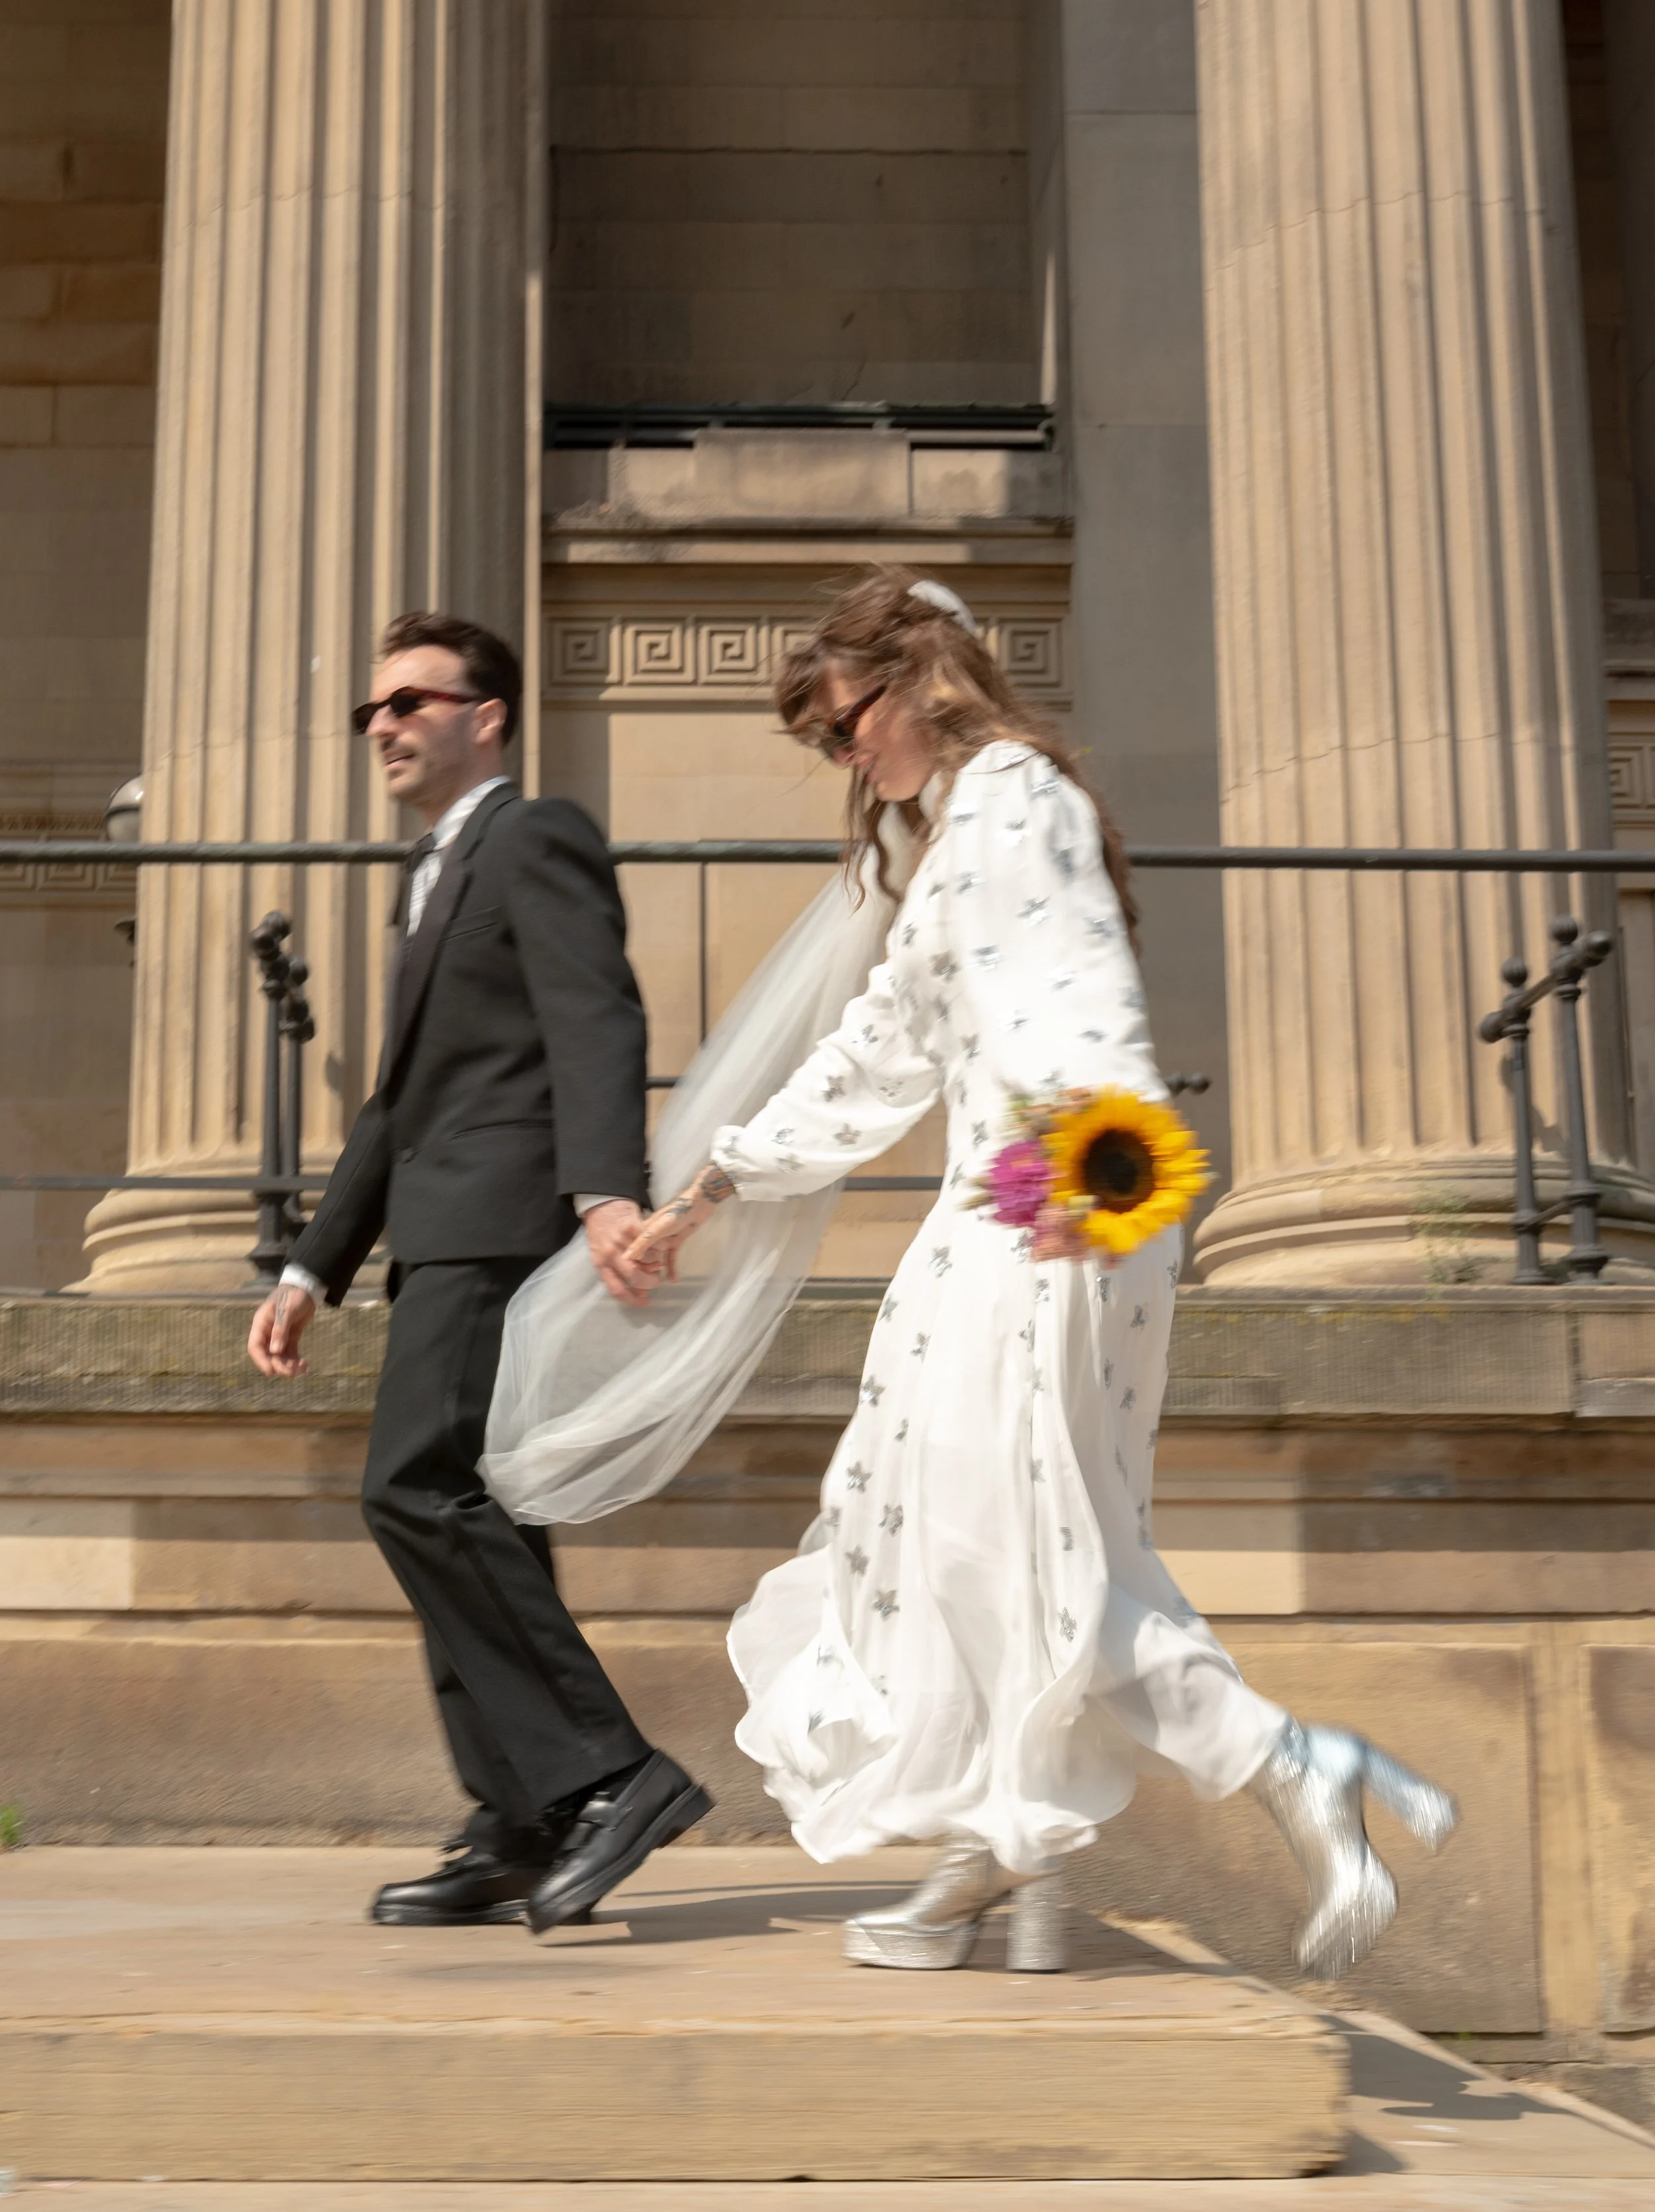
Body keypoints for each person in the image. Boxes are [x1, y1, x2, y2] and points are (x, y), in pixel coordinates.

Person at [612, 568, 1457, 1976]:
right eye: (825, 745)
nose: (842, 760)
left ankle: (1280, 1768)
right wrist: (701, 1194)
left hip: (1053, 1203)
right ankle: (998, 1853)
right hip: (1010, 1212)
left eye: (843, 727)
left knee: (1004, 1537)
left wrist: (1103, 1172)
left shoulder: (1009, 796)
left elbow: (1082, 1000)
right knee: (977, 1537)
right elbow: (876, 1049)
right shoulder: (949, 840)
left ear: (918, 677)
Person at [247, 610, 709, 1937]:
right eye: (373, 710)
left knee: (416, 1490)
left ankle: (612, 1774)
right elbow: (395, 1106)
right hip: (440, 1228)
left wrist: (606, 1188)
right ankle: (517, 1818)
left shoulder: (531, 836)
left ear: (485, 716)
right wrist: (311, 1270)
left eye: (410, 702)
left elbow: (595, 1014)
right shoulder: (434, 871)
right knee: (484, 1513)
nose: (383, 726)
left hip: (501, 1227)